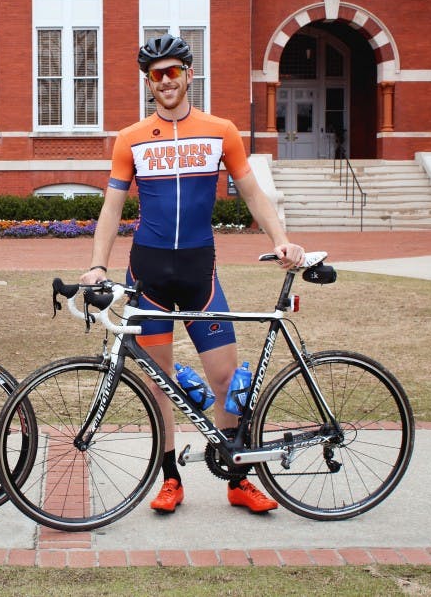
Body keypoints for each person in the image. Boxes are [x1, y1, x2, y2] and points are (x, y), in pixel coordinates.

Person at [79, 34, 305, 515]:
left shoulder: (220, 130)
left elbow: (252, 193)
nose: (165, 81)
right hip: (149, 277)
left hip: (200, 274)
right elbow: (111, 208)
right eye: (156, 74)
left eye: (173, 71)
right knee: (160, 385)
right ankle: (170, 479)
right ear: (148, 82)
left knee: (225, 381)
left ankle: (237, 479)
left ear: (188, 74)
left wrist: (280, 239)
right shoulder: (131, 138)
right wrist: (98, 263)